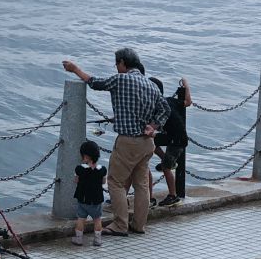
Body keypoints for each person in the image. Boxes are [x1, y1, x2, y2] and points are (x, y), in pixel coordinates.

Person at [61, 47, 169, 235]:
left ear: (122, 63)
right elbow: (165, 109)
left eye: (116, 63)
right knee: (142, 185)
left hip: (128, 141)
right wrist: (153, 126)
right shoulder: (150, 84)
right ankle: (139, 225)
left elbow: (94, 83)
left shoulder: (121, 79)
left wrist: (75, 69)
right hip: (147, 144)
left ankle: (120, 225)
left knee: (115, 182)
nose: (116, 66)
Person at [153, 77, 192, 207]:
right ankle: (168, 160)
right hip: (173, 136)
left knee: (165, 167)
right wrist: (186, 86)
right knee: (150, 141)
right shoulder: (169, 100)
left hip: (177, 140)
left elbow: (155, 125)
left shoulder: (158, 106)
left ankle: (173, 196)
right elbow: (188, 102)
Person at [71, 139, 106, 246]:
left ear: (85, 156)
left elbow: (76, 180)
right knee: (97, 219)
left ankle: (78, 239)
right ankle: (97, 239)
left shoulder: (80, 169)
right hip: (96, 200)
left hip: (83, 199)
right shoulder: (102, 169)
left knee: (81, 219)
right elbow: (103, 181)